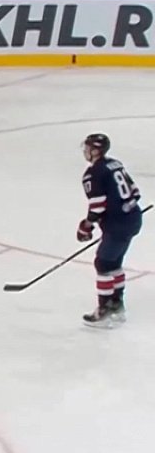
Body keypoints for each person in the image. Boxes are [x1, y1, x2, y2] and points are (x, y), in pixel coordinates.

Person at [78, 133, 143, 327]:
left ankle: (105, 309)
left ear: (95, 151)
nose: (85, 151)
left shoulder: (93, 174)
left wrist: (86, 227)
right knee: (114, 262)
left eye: (88, 148)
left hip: (118, 225)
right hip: (133, 219)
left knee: (103, 263)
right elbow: (135, 192)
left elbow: (97, 206)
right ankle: (116, 304)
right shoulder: (115, 164)